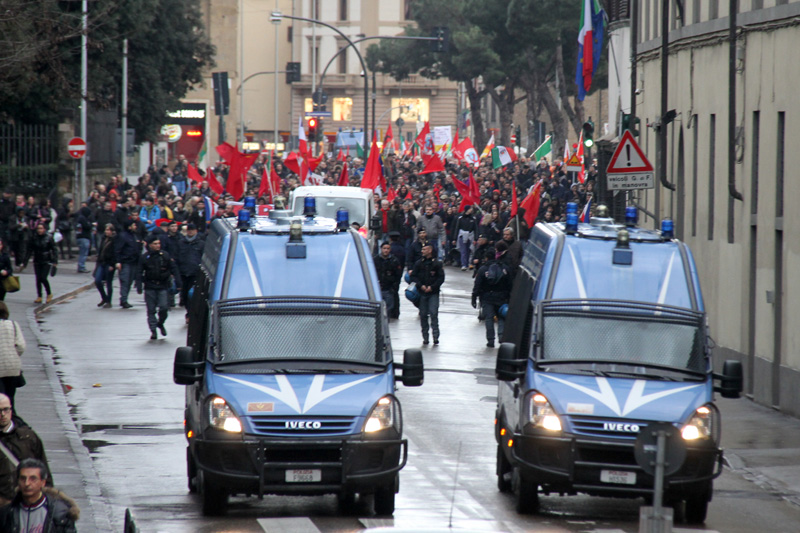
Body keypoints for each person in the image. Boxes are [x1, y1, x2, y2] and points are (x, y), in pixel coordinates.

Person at [0, 458, 78, 532]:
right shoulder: (7, 513)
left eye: (33, 479)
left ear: (43, 482)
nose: (27, 483)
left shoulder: (60, 513)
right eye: (23, 478)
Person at [0, 394, 52, 504]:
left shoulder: (28, 437)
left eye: (6, 409)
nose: (3, 414)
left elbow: (44, 472)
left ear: (11, 409)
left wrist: (49, 500)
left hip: (26, 503)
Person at [137, 235, 181, 340]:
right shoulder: (145, 257)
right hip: (150, 286)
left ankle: (160, 323)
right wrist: (139, 285)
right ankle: (153, 330)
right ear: (150, 245)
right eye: (155, 244)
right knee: (151, 310)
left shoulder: (164, 255)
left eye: (159, 244)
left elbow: (173, 268)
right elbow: (139, 271)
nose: (158, 246)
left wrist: (178, 282)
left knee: (164, 307)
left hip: (162, 286)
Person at [472, 241, 513, 347]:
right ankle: (501, 337)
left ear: (486, 258)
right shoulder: (504, 268)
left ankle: (490, 340)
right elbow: (510, 284)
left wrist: (474, 298)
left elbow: (477, 285)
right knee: (501, 318)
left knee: (489, 319)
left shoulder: (483, 269)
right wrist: (509, 297)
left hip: (487, 297)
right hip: (501, 297)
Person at [409, 242, 445, 345]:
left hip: (433, 293)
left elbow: (441, 278)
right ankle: (425, 337)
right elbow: (413, 276)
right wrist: (420, 286)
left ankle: (435, 336)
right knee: (423, 315)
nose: (422, 251)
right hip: (422, 293)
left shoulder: (437, 264)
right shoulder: (419, 263)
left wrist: (432, 287)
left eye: (424, 249)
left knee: (433, 313)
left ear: (430, 250)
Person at [176, 223, 204, 316]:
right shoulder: (181, 243)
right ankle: (189, 311)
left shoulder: (201, 243)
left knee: (192, 295)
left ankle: (190, 314)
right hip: (183, 272)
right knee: (184, 295)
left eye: (192, 230)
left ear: (196, 231)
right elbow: (176, 257)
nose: (190, 231)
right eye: (189, 230)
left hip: (195, 273)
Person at [24, 225, 57, 304]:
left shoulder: (48, 237)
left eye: (41, 228)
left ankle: (49, 293)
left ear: (44, 229)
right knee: (38, 279)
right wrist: (25, 261)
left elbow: (54, 249)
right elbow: (29, 250)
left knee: (43, 278)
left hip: (47, 260)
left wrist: (55, 261)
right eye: (38, 228)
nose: (39, 230)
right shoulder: (34, 238)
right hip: (37, 260)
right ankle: (39, 296)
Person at [0, 305, 25, 408]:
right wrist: (12, 355)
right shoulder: (14, 325)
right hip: (13, 367)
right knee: (10, 399)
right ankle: (11, 419)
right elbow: (21, 346)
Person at [115, 219, 142, 309]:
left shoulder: (134, 235)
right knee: (125, 281)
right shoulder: (123, 236)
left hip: (134, 262)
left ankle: (124, 298)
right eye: (134, 225)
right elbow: (118, 249)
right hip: (125, 262)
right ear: (129, 226)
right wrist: (118, 261)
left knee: (129, 281)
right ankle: (123, 299)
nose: (135, 227)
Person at [374, 242, 402, 319]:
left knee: (389, 309)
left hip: (389, 289)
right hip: (378, 288)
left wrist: (394, 288)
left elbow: (398, 275)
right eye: (384, 248)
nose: (386, 250)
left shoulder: (394, 261)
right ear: (381, 249)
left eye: (388, 248)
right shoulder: (375, 260)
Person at [94, 224, 117, 308]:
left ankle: (109, 301)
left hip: (109, 263)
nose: (106, 232)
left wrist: (113, 264)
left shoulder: (114, 240)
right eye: (106, 230)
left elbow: (115, 253)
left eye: (108, 230)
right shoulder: (104, 239)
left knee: (109, 282)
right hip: (102, 262)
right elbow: (100, 252)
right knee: (97, 280)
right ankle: (104, 297)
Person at [74, 206, 92, 273]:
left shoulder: (79, 218)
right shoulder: (83, 218)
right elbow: (87, 226)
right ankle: (81, 267)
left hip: (80, 237)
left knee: (82, 253)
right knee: (84, 253)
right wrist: (91, 225)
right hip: (84, 237)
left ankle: (81, 266)